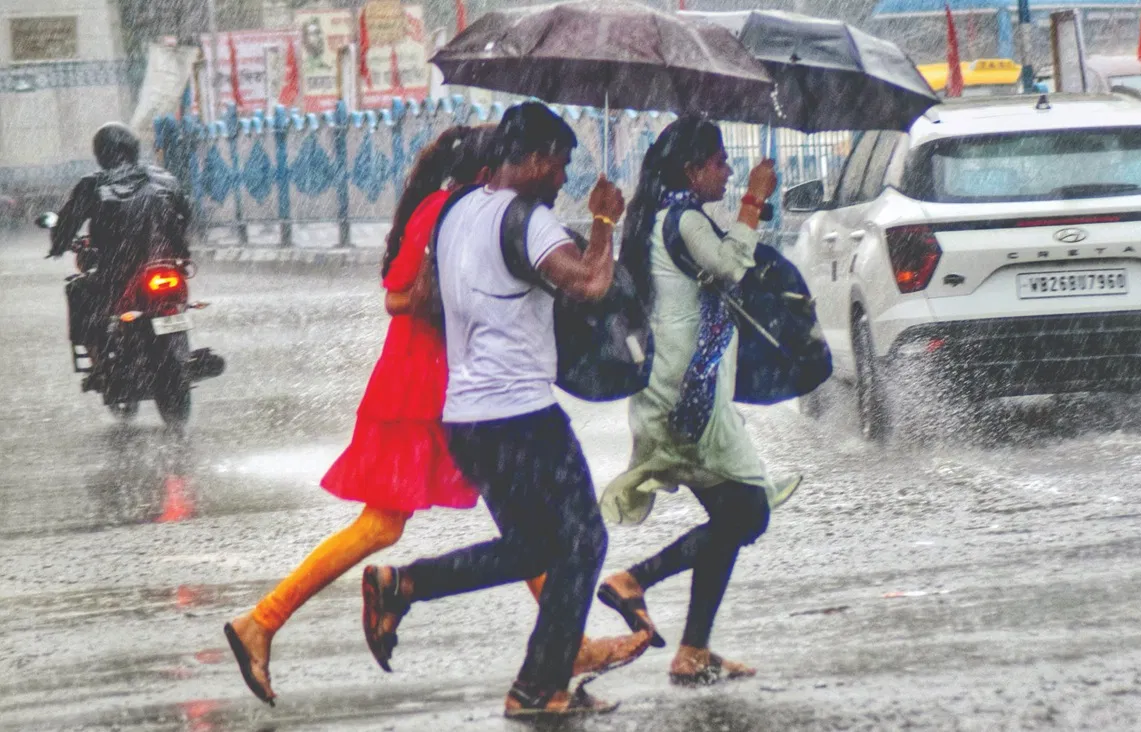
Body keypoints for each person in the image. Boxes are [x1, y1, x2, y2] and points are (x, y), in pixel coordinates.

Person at [223, 125, 646, 707]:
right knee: (393, 526)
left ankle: (560, 652)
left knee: (527, 528)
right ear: (485, 172)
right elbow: (403, 295)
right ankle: (264, 620)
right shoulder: (451, 211)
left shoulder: (448, 208)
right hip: (429, 387)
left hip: (444, 384)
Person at [361, 102, 638, 719]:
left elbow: (427, 301)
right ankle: (537, 689)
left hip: (467, 419)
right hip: (523, 415)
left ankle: (403, 585)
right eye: (561, 164)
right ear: (535, 157)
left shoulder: (455, 212)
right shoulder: (529, 220)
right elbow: (590, 283)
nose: (563, 177)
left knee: (536, 548)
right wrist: (601, 220)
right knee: (585, 541)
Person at [596, 116, 802, 686]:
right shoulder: (683, 219)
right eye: (719, 162)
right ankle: (634, 579)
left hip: (671, 392)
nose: (729, 170)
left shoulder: (663, 219)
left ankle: (693, 650)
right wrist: (754, 202)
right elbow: (731, 266)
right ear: (692, 169)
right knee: (749, 511)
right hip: (690, 399)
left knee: (731, 517)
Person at [49, 122, 192, 380]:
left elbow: (67, 223)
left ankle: (99, 361)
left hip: (118, 267)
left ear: (101, 153)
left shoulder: (93, 184)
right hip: (164, 262)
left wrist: (58, 245)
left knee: (78, 290)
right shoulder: (162, 177)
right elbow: (186, 213)